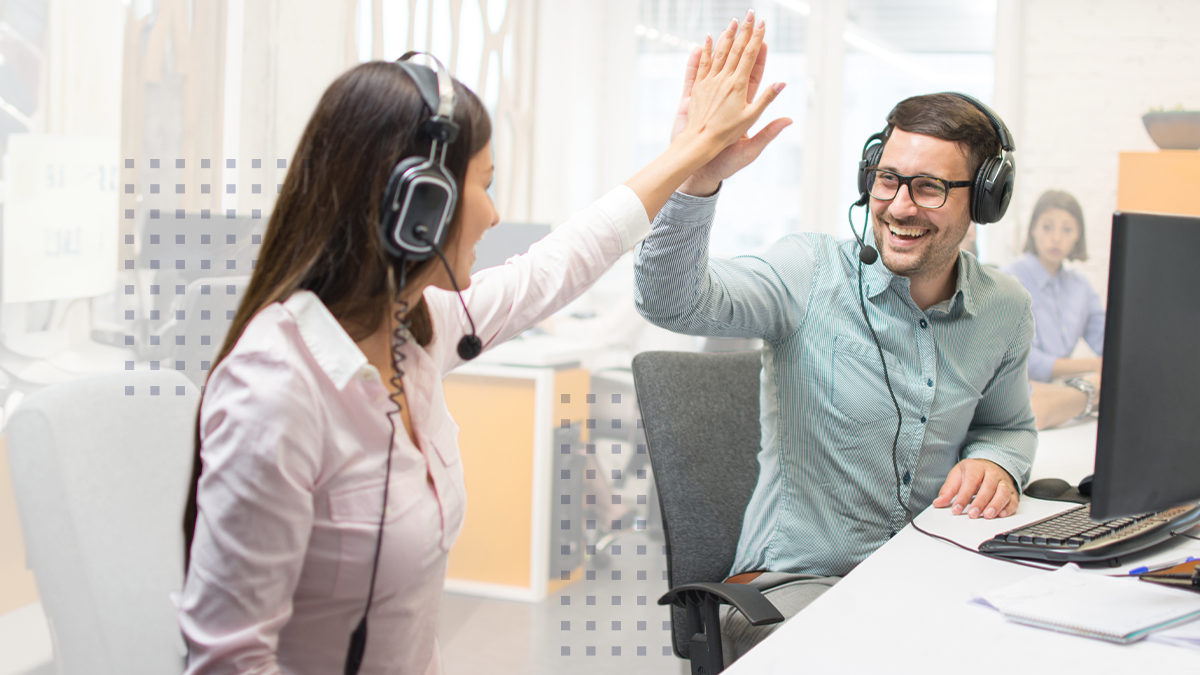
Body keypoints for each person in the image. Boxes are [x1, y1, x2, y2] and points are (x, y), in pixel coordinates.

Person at [179, 12, 784, 675]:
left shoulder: (414, 332)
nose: (494, 214)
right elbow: (228, 662)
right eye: (483, 184)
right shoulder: (276, 391)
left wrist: (690, 156)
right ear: (418, 207)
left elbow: (557, 263)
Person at [633, 91, 1037, 663]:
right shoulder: (808, 272)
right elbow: (669, 303)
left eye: (929, 187)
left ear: (986, 200)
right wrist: (694, 180)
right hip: (791, 590)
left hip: (928, 579)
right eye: (886, 179)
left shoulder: (1004, 308)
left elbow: (1011, 427)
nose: (899, 206)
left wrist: (998, 461)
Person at [1001, 190, 1104, 429]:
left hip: (1060, 402)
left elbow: (1110, 341)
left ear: (1078, 236)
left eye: (1067, 230)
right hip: (1017, 401)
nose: (1056, 238)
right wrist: (1093, 366)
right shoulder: (1009, 278)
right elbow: (1025, 360)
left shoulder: (1081, 287)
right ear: (1033, 229)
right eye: (1047, 227)